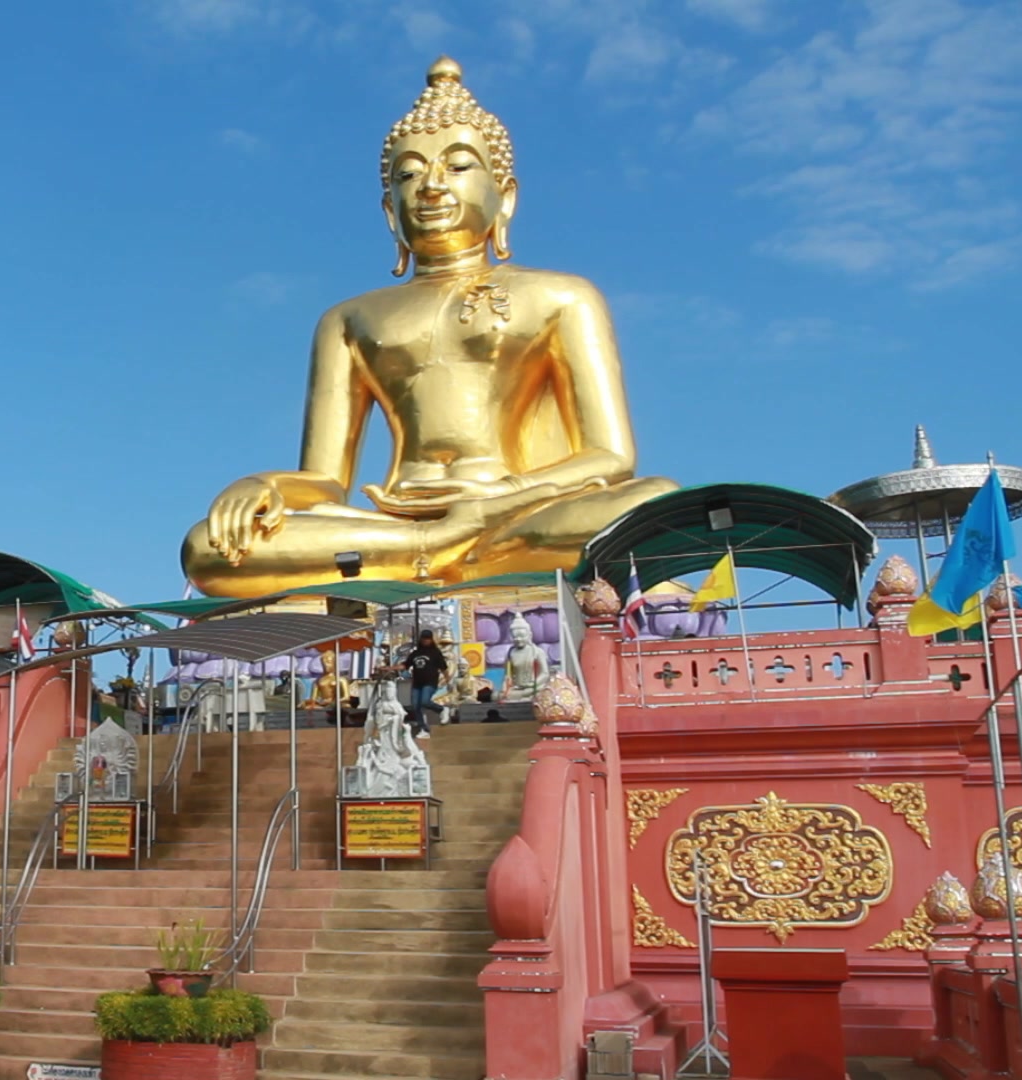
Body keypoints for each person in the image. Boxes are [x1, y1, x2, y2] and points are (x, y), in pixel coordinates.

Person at [181, 57, 675, 597]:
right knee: (209, 546)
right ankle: (438, 552)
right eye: (409, 174)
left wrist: (492, 502)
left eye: (458, 166)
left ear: (505, 196)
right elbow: (327, 481)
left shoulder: (561, 296)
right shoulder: (348, 319)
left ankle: (438, 555)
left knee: (651, 503)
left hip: (517, 512)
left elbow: (610, 457)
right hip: (396, 521)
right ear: (390, 210)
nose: (431, 187)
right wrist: (262, 485)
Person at [400, 630, 448, 737]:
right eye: (424, 638)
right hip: (417, 683)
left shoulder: (435, 652)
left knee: (425, 701)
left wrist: (448, 680)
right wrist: (389, 668)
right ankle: (424, 729)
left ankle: (442, 709)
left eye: (428, 639)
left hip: (430, 682)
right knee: (416, 706)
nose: (425, 641)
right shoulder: (415, 653)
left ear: (431, 639)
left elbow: (444, 668)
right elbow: (405, 665)